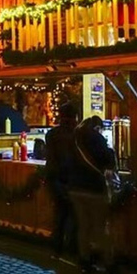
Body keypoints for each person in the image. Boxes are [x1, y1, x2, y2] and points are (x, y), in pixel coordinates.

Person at [70, 116, 118, 274]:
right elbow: (107, 158)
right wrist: (110, 151)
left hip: (75, 189)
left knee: (83, 227)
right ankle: (109, 264)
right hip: (94, 189)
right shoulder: (96, 138)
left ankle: (85, 262)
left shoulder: (75, 138)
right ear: (98, 128)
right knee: (100, 228)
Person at [45, 102, 79, 259]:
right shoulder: (77, 135)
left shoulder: (52, 134)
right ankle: (72, 250)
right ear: (75, 117)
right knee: (74, 217)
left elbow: (50, 158)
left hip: (55, 180)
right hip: (72, 180)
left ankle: (55, 250)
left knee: (59, 216)